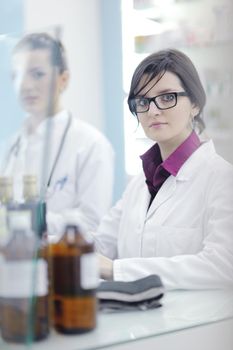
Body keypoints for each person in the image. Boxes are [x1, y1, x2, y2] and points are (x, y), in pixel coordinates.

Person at [94, 48, 233, 290]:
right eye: (143, 101)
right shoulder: (140, 183)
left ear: (195, 104)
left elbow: (222, 265)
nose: (153, 110)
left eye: (167, 97)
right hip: (137, 323)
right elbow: (101, 243)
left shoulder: (221, 179)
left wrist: (116, 270)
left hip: (194, 326)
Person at [2, 32, 114, 235]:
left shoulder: (91, 144)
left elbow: (92, 224)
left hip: (61, 262)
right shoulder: (11, 144)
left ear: (63, 79)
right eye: (17, 75)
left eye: (37, 74)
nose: (26, 85)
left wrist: (30, 219)